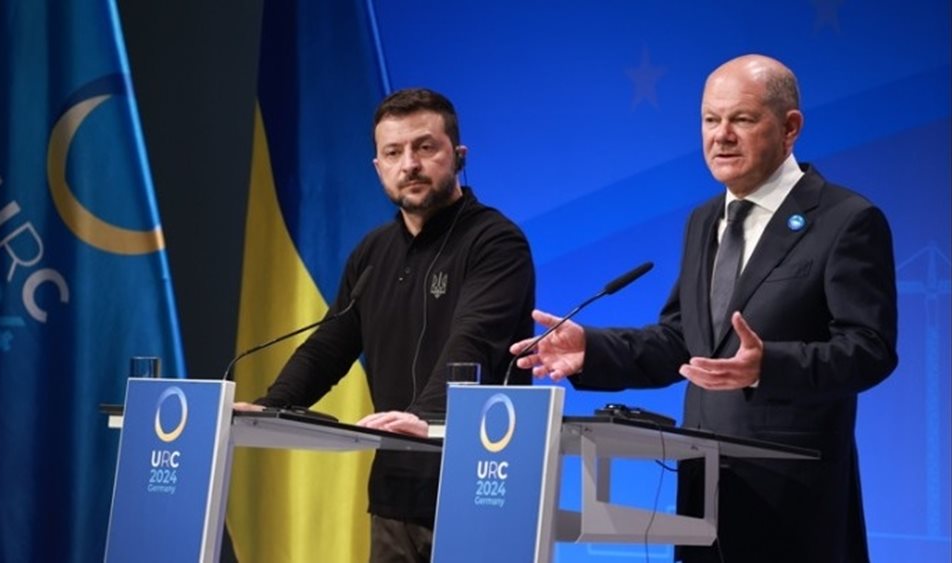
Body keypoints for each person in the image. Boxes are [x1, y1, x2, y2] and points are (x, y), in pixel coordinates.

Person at [511, 54, 897, 563]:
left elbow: (869, 349)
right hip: (704, 495)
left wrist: (767, 366)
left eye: (742, 119)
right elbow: (684, 341)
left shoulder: (846, 219)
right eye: (711, 120)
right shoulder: (704, 220)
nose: (722, 136)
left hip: (793, 500)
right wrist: (593, 349)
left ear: (790, 128)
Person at [235, 87, 535, 562]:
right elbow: (329, 346)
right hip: (394, 493)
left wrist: (427, 418)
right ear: (378, 167)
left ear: (459, 155)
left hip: (482, 487)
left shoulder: (496, 243)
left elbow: (473, 341)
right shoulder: (372, 253)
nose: (409, 164)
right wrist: (271, 407)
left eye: (425, 147)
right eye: (393, 153)